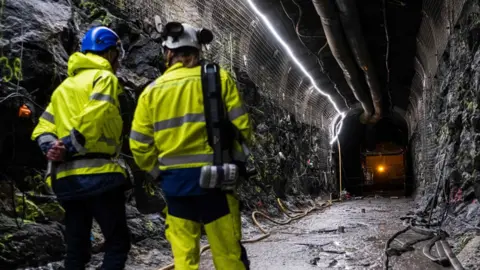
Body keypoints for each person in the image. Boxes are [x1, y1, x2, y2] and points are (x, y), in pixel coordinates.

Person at [129, 22, 253, 270]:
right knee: (228, 254)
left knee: (184, 258)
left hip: (175, 185)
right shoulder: (218, 79)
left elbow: (139, 144)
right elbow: (242, 128)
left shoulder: (151, 92)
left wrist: (157, 174)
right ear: (198, 51)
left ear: (168, 53)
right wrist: (237, 163)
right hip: (217, 181)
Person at [31, 26, 131, 270]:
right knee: (118, 242)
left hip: (66, 180)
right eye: (117, 53)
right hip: (99, 177)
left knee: (76, 247)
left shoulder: (63, 88)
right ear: (110, 53)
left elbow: (43, 126)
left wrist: (50, 147)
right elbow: (95, 115)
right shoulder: (105, 78)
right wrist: (67, 147)